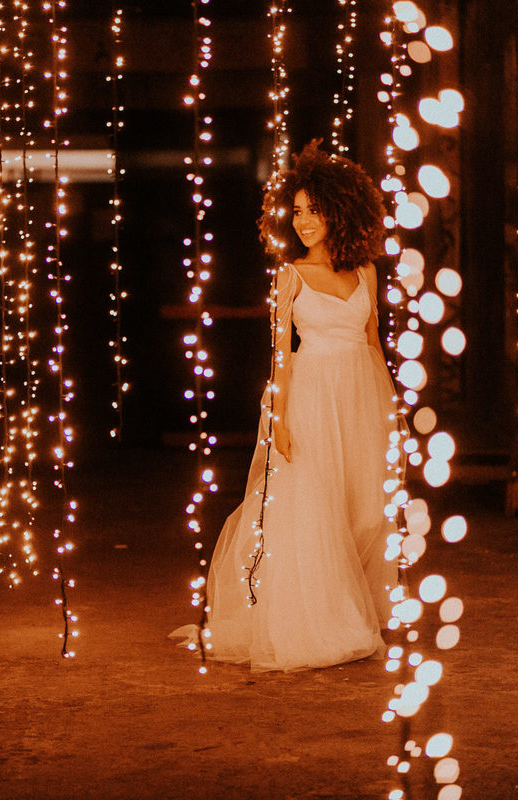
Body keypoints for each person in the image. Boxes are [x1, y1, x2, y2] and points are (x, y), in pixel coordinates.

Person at [174, 140, 407, 671]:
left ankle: (361, 607)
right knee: (315, 511)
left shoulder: (367, 271)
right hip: (311, 398)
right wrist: (277, 419)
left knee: (366, 511)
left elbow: (373, 341)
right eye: (297, 211)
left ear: (340, 210)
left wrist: (390, 412)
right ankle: (323, 620)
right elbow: (279, 357)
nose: (303, 221)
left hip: (361, 399)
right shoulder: (290, 276)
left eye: (313, 210)